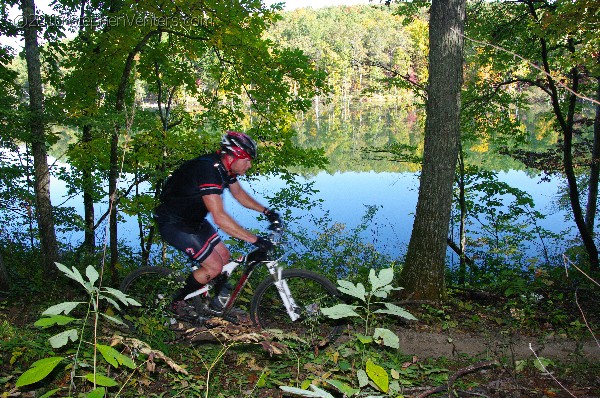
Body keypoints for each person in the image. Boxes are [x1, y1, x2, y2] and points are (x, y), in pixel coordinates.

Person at [155, 131, 280, 315]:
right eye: (246, 160)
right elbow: (220, 218)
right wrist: (255, 240)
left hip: (194, 221)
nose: (249, 165)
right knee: (214, 266)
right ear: (233, 156)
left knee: (224, 256)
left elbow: (239, 195)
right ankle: (174, 303)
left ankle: (213, 305)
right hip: (174, 224)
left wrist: (267, 212)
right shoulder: (208, 171)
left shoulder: (225, 169)